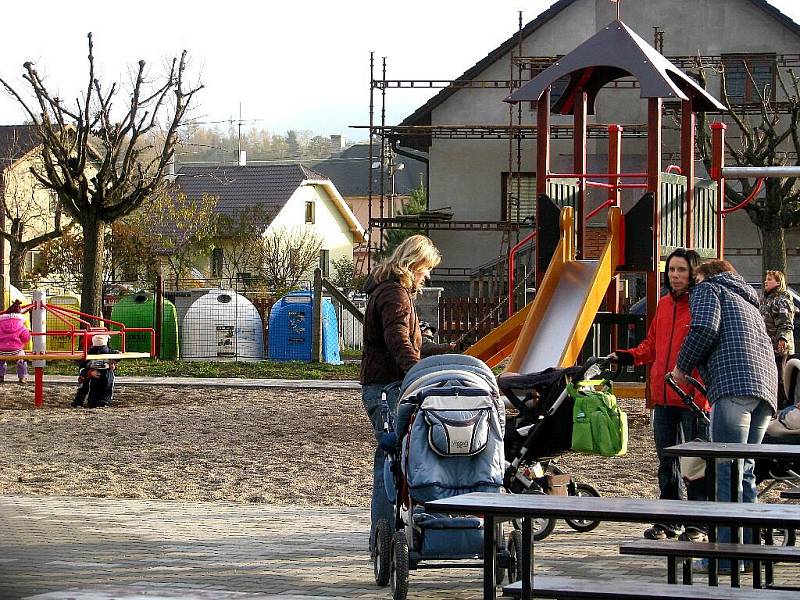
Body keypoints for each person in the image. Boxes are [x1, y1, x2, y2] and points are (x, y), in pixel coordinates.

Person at [670, 259, 777, 573]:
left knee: (726, 470)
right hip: (765, 390)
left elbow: (703, 330)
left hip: (733, 386)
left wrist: (680, 367)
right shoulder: (748, 300)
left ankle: (727, 558)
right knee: (745, 471)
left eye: (695, 277)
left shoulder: (709, 289)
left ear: (706, 275)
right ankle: (746, 554)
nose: (691, 283)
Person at [610, 249, 709, 542]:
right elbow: (651, 345)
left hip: (692, 396)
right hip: (664, 397)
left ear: (693, 273)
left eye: (682, 270)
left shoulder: (701, 304)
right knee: (667, 462)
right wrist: (628, 357)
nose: (676, 275)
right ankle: (669, 519)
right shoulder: (664, 305)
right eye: (672, 270)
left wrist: (701, 390)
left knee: (694, 463)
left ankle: (698, 522)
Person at [360, 234, 442, 555]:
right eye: (426, 269)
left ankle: (387, 535)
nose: (427, 277)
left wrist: (444, 349)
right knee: (392, 458)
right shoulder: (394, 293)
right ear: (414, 264)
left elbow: (411, 342)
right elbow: (397, 340)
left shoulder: (394, 290)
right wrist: (418, 373)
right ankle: (382, 539)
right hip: (387, 388)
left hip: (385, 385)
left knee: (399, 457)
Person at [759, 270, 795, 411]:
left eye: (770, 279)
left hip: (779, 346)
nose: (766, 281)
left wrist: (782, 339)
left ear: (778, 282)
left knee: (780, 378)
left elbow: (785, 322)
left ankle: (783, 406)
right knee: (771, 376)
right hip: (768, 345)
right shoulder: (767, 299)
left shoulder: (781, 299)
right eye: (766, 278)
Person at [71, 333, 121, 408]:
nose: (99, 351)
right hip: (94, 375)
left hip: (105, 374)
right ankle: (85, 401)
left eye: (102, 348)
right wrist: (89, 373)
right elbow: (82, 366)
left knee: (106, 388)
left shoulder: (98, 352)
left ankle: (102, 401)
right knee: (88, 387)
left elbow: (117, 357)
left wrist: (114, 364)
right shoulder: (93, 353)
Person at [0, 299, 30, 384]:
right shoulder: (21, 324)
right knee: (22, 360)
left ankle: (1, 376)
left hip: (1, 351)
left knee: (1, 361)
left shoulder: (0, 323)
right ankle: (23, 377)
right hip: (16, 351)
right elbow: (26, 338)